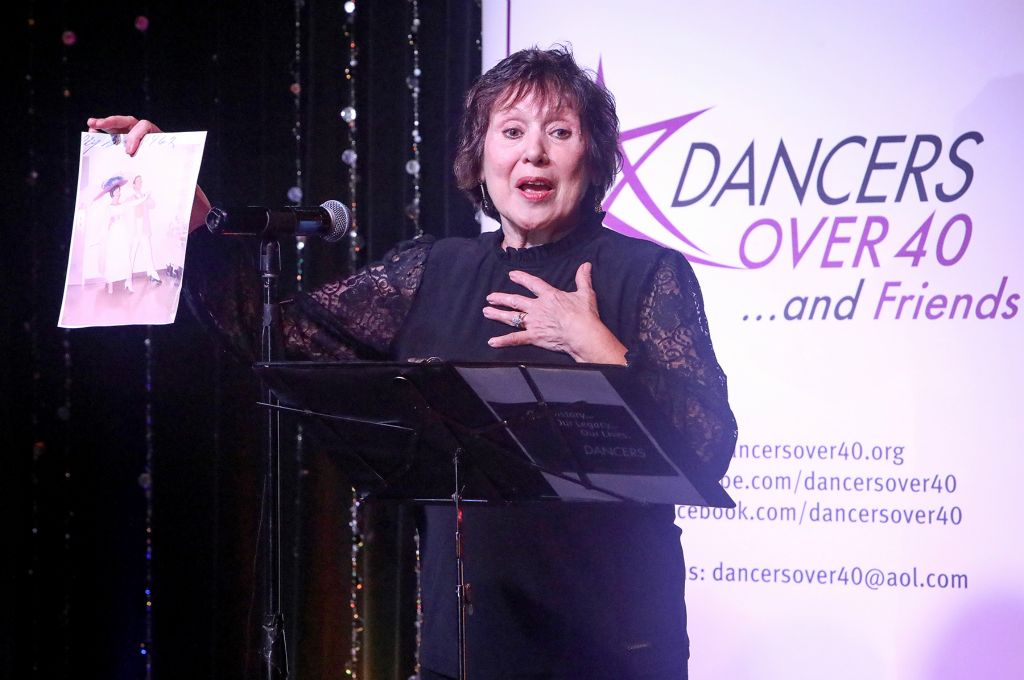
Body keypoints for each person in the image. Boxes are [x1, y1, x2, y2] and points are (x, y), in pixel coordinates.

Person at [88, 45, 736, 680]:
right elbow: (280, 335)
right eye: (511, 131)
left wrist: (592, 343)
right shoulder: (434, 269)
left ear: (590, 157)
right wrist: (192, 223)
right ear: (480, 157)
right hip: (466, 648)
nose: (533, 152)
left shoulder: (646, 272)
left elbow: (706, 443)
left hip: (613, 648)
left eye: (559, 132)